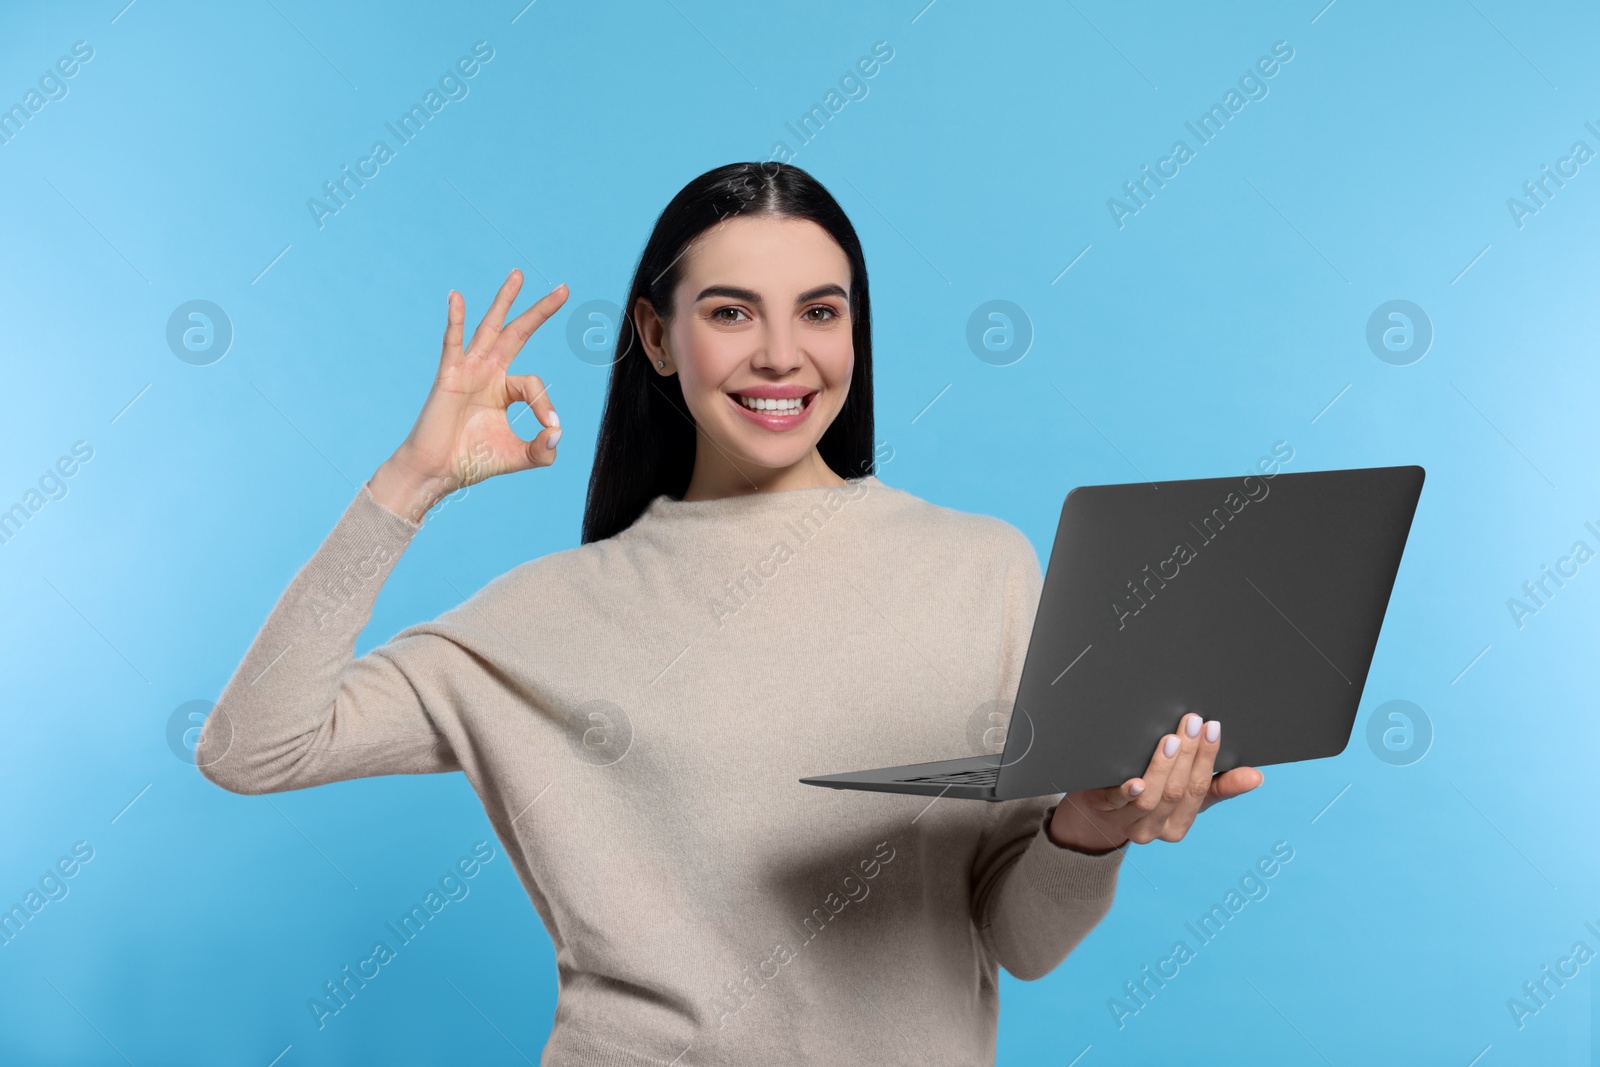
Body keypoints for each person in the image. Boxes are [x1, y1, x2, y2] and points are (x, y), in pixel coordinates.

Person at [196, 161, 1263, 1065]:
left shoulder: (982, 567)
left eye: (819, 310)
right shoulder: (542, 617)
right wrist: (409, 482)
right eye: (730, 311)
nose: (779, 356)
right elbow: (253, 747)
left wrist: (1091, 828)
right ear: (657, 340)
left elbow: (1015, 942)